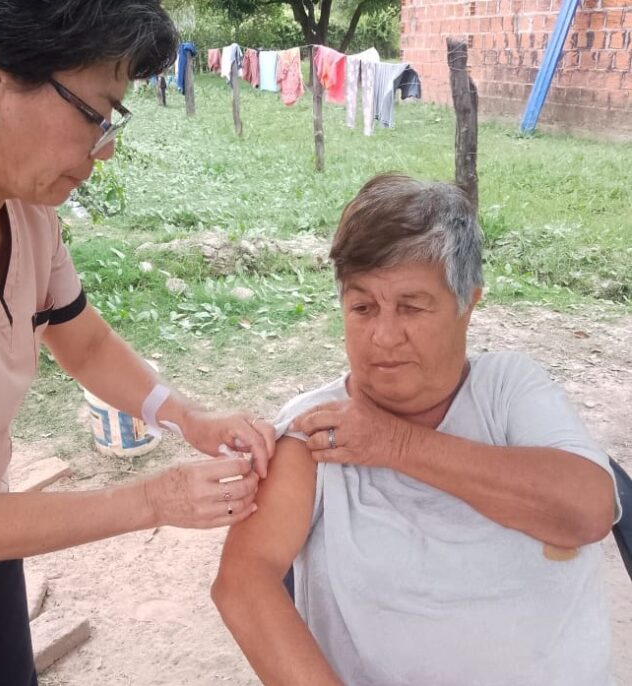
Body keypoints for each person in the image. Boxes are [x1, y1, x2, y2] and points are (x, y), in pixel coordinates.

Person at [0, 1, 275, 683]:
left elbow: (78, 339)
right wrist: (154, 500)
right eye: (96, 112)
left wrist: (184, 414)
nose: (105, 146)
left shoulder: (19, 201)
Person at [212, 173, 620, 686]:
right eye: (362, 307)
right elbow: (243, 583)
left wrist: (394, 443)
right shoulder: (315, 431)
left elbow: (588, 512)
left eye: (411, 306)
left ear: (467, 304)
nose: (382, 336)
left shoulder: (508, 389)